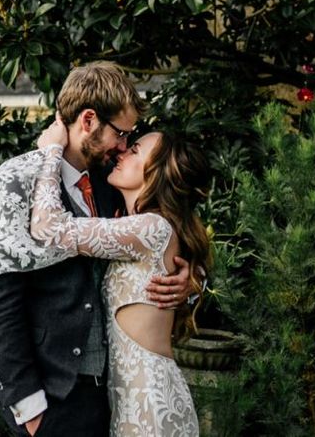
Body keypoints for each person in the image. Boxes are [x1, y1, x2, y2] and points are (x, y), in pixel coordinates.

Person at [0, 62, 193, 436]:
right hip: (51, 399)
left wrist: (188, 279)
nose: (123, 146)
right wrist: (28, 406)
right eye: (121, 133)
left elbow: (162, 236)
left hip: (113, 398)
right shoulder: (16, 183)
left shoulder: (111, 183)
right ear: (88, 121)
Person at [31, 117, 210, 436]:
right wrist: (195, 280)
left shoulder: (151, 228)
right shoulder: (132, 223)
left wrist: (50, 153)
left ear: (155, 173)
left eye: (136, 150)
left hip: (151, 410)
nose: (122, 153)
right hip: (125, 406)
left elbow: (50, 230)